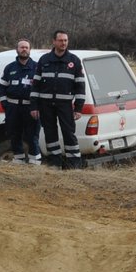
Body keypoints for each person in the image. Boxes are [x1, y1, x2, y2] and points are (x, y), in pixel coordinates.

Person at [31, 29, 86, 170]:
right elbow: (35, 85)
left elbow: (80, 86)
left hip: (65, 105)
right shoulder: (44, 60)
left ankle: (74, 165)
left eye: (66, 40)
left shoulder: (74, 61)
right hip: (46, 105)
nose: (63, 43)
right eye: (61, 40)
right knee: (50, 133)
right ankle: (54, 163)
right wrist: (34, 106)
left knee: (69, 133)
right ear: (54, 41)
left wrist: (79, 108)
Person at [0, 38, 42, 164]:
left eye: (26, 47)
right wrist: (5, 104)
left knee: (32, 136)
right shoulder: (9, 68)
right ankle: (19, 159)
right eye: (21, 47)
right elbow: (2, 86)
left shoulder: (37, 68)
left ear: (30, 50)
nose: (24, 49)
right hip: (13, 108)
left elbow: (42, 89)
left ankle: (35, 162)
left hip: (30, 108)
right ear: (17, 50)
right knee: (14, 134)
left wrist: (37, 107)